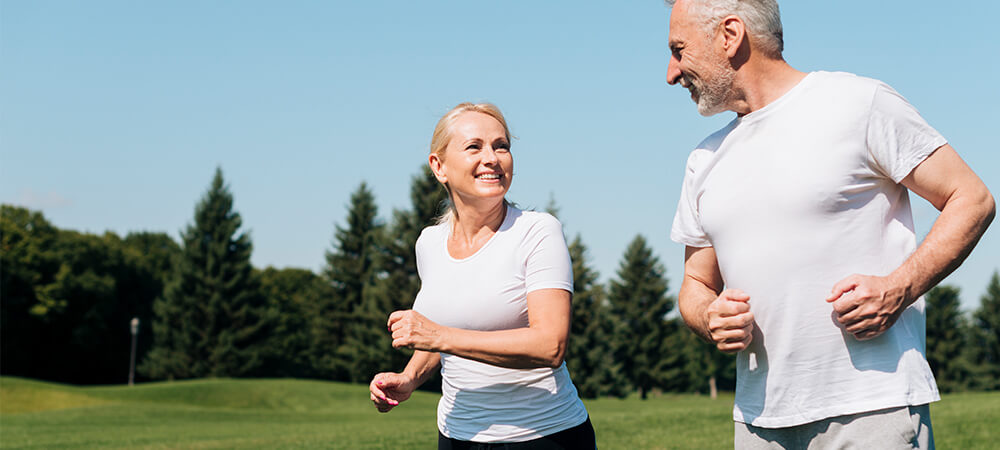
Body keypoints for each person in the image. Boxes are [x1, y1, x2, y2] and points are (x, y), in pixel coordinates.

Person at [664, 0, 995, 448]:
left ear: (730, 34)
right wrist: (708, 314)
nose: (671, 72)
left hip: (871, 408)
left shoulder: (859, 104)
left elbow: (971, 198)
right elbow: (694, 283)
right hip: (758, 421)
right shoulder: (703, 159)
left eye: (679, 50)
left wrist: (899, 287)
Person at [368, 102, 595, 449]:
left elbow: (551, 344)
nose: (492, 158)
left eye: (501, 146)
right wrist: (410, 377)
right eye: (474, 146)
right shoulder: (429, 244)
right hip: (458, 436)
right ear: (439, 166)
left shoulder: (537, 232)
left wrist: (439, 336)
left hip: (543, 436)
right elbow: (439, 336)